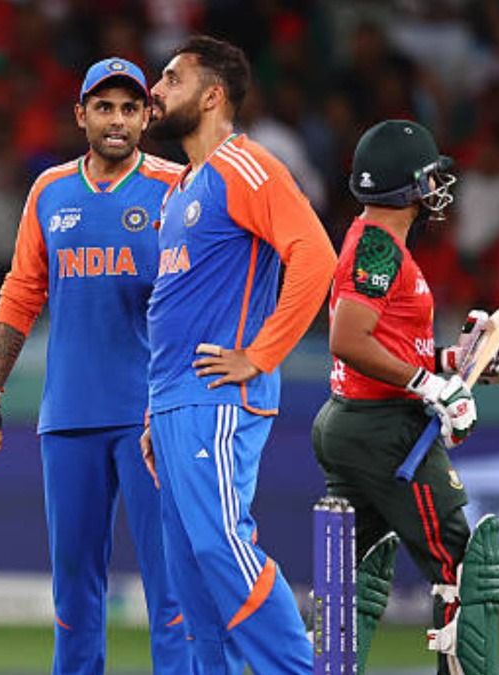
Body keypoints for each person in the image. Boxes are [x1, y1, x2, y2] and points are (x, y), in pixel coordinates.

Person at [0, 57, 191, 674]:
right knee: (73, 592)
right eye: (103, 107)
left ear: (148, 116)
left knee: (171, 590)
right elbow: (20, 293)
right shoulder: (50, 189)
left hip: (153, 415)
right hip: (69, 414)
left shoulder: (180, 186)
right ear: (81, 115)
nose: (116, 120)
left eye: (128, 107)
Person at [142, 35, 337, 674]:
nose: (156, 90)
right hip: (174, 403)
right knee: (193, 582)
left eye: (171, 79)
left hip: (217, 399)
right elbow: (173, 312)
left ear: (212, 94)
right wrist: (154, 410)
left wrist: (260, 354)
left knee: (223, 546)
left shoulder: (244, 165)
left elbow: (316, 255)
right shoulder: (181, 190)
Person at [312, 119, 499, 675]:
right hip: (387, 433)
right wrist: (430, 385)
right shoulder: (379, 250)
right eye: (430, 178)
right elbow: (347, 339)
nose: (437, 189)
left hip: (354, 424)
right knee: (466, 569)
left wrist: (461, 364)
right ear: (408, 187)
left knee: (351, 575)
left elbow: (389, 346)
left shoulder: (374, 244)